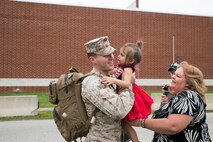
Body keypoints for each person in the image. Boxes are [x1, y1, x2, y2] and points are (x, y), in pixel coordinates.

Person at [131, 61, 212, 142]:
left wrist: (141, 122)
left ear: (188, 83)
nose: (173, 76)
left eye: (178, 76)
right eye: (173, 74)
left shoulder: (188, 96)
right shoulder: (178, 97)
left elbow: (173, 126)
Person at [81, 36, 134, 142]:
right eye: (106, 55)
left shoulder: (111, 78)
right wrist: (127, 84)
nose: (112, 57)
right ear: (93, 59)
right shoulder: (92, 83)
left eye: (112, 53)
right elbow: (119, 110)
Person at [101, 41, 153, 142]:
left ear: (131, 60)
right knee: (125, 125)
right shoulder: (122, 68)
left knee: (127, 124)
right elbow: (113, 71)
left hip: (130, 97)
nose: (118, 56)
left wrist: (112, 80)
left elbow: (126, 83)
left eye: (122, 55)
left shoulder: (128, 69)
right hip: (123, 95)